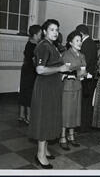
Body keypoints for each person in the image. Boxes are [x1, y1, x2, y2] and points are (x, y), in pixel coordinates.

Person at [28, 19, 70, 169]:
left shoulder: (51, 45)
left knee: (49, 117)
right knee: (44, 120)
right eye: (52, 29)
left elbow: (51, 66)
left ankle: (44, 150)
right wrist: (59, 70)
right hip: (45, 88)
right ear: (45, 31)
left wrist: (62, 72)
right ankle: (40, 154)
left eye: (57, 30)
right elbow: (40, 69)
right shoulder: (43, 46)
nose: (55, 32)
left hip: (52, 87)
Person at [59, 30, 87, 151]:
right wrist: (77, 71)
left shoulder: (82, 55)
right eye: (77, 40)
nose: (80, 43)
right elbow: (64, 71)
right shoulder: (66, 54)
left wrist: (81, 73)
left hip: (78, 86)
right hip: (67, 87)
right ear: (70, 42)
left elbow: (83, 71)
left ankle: (71, 136)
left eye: (80, 40)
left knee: (75, 112)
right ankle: (62, 137)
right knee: (66, 112)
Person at [76, 24, 98, 132]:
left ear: (81, 33)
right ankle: (84, 125)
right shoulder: (91, 43)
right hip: (88, 77)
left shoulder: (87, 44)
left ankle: (84, 126)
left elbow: (86, 62)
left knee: (85, 103)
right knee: (86, 103)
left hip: (87, 78)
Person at [18, 25, 42, 125]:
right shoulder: (34, 46)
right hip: (30, 72)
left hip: (25, 70)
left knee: (24, 92)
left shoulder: (29, 43)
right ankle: (29, 117)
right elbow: (34, 60)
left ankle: (21, 115)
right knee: (29, 94)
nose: (41, 36)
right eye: (40, 34)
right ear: (35, 35)